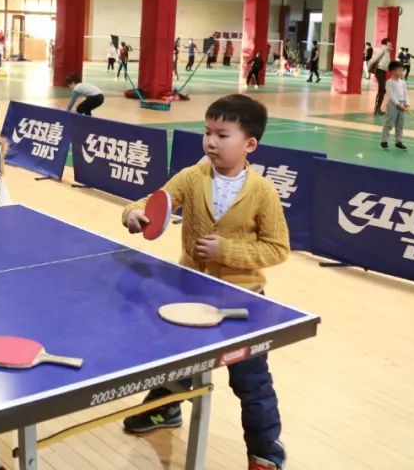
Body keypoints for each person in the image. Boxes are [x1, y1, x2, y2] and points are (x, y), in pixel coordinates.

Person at [121, 94, 289, 470]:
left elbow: (278, 249)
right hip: (192, 292)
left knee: (251, 382)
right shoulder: (191, 177)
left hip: (243, 301)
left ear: (249, 144)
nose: (210, 141)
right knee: (179, 361)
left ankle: (265, 452)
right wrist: (133, 214)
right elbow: (151, 202)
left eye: (222, 135)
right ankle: (164, 410)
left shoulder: (263, 192)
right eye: (207, 132)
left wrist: (227, 251)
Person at [380, 60, 409, 150]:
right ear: (393, 71)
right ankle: (384, 141)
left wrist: (407, 103)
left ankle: (398, 142)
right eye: (399, 70)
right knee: (389, 123)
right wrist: (398, 104)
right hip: (393, 104)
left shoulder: (403, 82)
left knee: (400, 124)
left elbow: (406, 93)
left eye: (402, 70)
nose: (401, 72)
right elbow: (391, 95)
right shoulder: (389, 82)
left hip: (402, 104)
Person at [368, 38, 392, 115]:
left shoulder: (387, 51)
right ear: (386, 43)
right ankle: (377, 108)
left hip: (383, 71)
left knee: (383, 90)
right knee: (382, 89)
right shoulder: (382, 50)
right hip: (379, 71)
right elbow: (373, 60)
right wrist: (369, 69)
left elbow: (386, 62)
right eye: (389, 42)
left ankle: (377, 108)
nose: (391, 43)